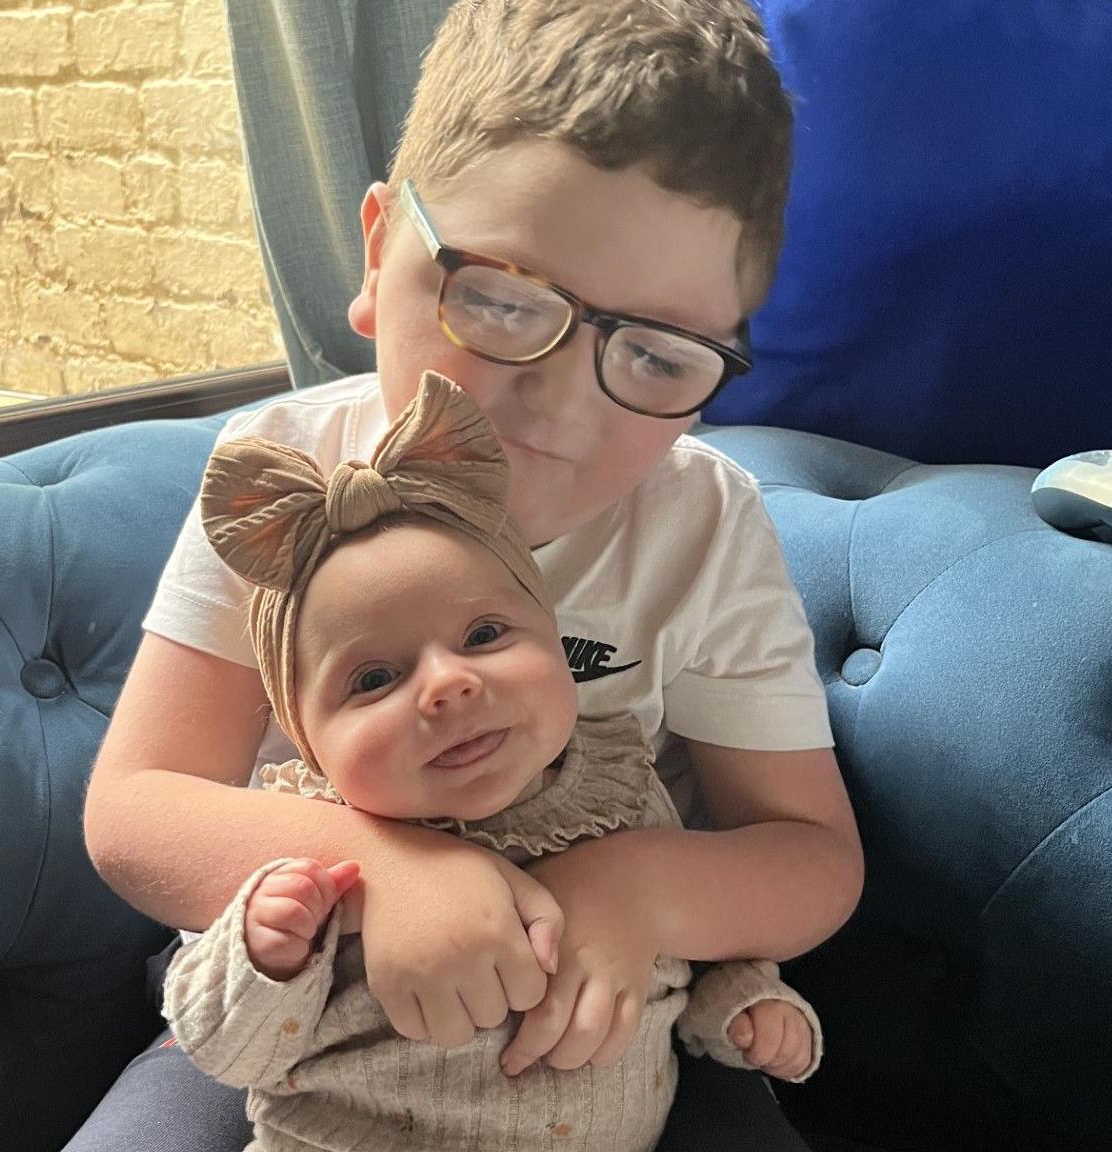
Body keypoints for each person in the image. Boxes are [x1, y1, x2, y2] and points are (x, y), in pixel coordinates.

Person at [76, 2, 864, 1150]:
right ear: (377, 249)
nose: (559, 404)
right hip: (295, 1008)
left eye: (656, 353)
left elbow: (811, 857)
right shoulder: (286, 471)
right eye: (497, 298)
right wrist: (386, 871)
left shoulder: (700, 520)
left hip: (618, 1026)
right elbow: (134, 812)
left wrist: (629, 891)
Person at [164, 372, 823, 1151]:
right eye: (374, 679)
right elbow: (227, 1051)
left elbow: (680, 960)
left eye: (484, 636)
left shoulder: (621, 795)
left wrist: (743, 1003)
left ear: (557, 641)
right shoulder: (307, 849)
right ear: (305, 740)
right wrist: (265, 958)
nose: (447, 683)